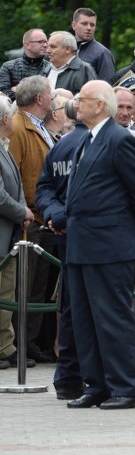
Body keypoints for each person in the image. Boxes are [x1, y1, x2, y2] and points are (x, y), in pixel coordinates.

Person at [64, 81, 135, 409]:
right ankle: (97, 384)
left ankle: (124, 388)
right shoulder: (87, 139)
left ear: (100, 105)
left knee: (112, 318)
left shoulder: (118, 139)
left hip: (109, 243)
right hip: (83, 244)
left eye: (82, 99)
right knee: (85, 320)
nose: (76, 104)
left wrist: (129, 228)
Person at [34, 108, 89, 397]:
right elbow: (46, 188)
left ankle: (69, 379)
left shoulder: (62, 143)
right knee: (85, 310)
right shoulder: (87, 144)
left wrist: (57, 217)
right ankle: (84, 378)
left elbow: (44, 191)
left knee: (71, 309)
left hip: (71, 235)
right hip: (92, 240)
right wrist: (59, 217)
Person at [7, 75, 56, 362]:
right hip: (28, 219)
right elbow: (12, 174)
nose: (52, 99)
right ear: (39, 99)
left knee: (38, 288)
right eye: (49, 94)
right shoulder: (17, 128)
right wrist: (21, 209)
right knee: (23, 288)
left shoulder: (38, 126)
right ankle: (18, 345)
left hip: (43, 217)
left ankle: (31, 341)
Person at [0, 95, 33, 370]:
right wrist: (22, 211)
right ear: (4, 119)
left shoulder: (5, 147)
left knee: (7, 292)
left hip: (9, 234)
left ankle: (5, 346)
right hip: (2, 232)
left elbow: (16, 184)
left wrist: (22, 208)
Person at [0, 29, 50, 103]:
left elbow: (51, 94)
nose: (45, 45)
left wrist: (18, 89)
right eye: (40, 42)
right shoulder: (8, 67)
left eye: (46, 42)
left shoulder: (50, 67)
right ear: (27, 45)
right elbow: (3, 93)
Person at [44, 31, 97, 95]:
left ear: (68, 49)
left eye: (53, 47)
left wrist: (70, 101)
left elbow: (92, 99)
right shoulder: (45, 69)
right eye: (48, 47)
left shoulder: (84, 70)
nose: (47, 51)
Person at [70, 7, 115, 83]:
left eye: (92, 25)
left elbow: (106, 86)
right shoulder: (66, 49)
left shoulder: (102, 53)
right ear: (74, 25)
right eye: (84, 24)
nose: (89, 28)